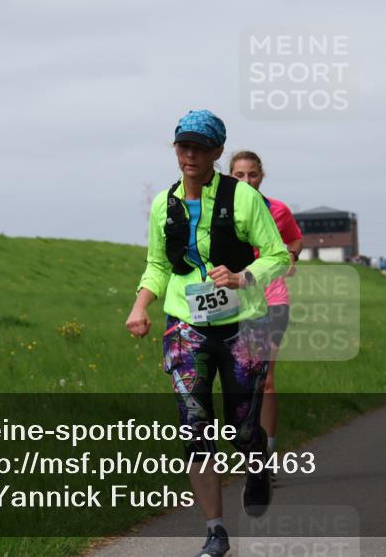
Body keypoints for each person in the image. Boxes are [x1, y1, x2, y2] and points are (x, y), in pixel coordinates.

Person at [126, 110, 290, 557]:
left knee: (241, 429)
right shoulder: (164, 204)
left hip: (243, 323)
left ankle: (256, 459)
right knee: (195, 428)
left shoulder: (243, 198)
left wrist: (243, 276)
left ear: (217, 152)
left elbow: (278, 256)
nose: (190, 155)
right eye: (184, 146)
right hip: (186, 325)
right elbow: (158, 265)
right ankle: (216, 531)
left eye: (200, 147)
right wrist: (140, 305)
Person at [229, 150, 303, 478]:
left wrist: (291, 258)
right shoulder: (220, 211)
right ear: (229, 176)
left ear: (262, 176)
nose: (246, 181)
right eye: (239, 175)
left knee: (266, 381)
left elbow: (295, 239)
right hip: (233, 304)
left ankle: (265, 456)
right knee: (241, 382)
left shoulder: (278, 210)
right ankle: (248, 445)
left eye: (252, 175)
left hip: (273, 301)